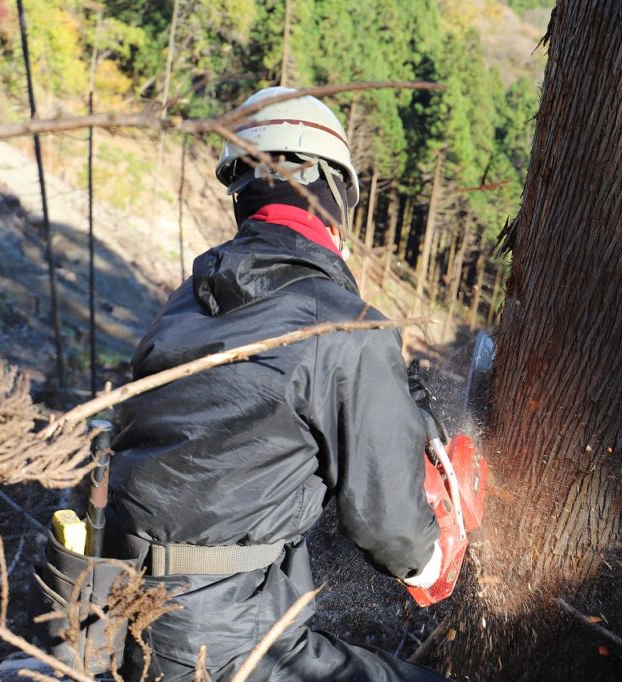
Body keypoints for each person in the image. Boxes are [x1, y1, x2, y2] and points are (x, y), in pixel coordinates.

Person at [109, 87, 448, 681]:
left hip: (114, 606)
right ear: (336, 192)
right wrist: (433, 559)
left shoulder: (184, 305)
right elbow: (394, 533)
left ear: (239, 192)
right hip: (219, 640)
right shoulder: (344, 329)